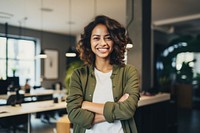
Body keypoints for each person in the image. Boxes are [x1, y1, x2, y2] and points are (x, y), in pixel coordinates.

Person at [66, 15, 140, 133]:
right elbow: (74, 115)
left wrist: (87, 105)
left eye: (108, 37)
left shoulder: (129, 72)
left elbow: (128, 110)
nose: (103, 43)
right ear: (89, 42)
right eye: (96, 38)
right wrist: (116, 108)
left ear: (114, 41)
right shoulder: (79, 75)